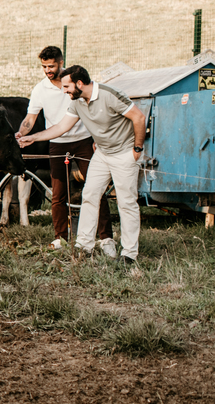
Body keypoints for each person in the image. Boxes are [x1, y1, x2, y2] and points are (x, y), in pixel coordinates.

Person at [16, 65, 147, 264]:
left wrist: (137, 149)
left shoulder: (109, 95)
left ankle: (129, 254)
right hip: (102, 154)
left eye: (67, 86)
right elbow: (61, 127)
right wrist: (33, 138)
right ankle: (84, 245)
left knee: (126, 202)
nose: (64, 90)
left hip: (124, 154)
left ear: (79, 83)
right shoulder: (77, 102)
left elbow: (139, 117)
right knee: (90, 194)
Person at [16, 46, 113, 252]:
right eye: (44, 66)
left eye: (51, 66)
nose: (47, 70)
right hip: (57, 142)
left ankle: (106, 238)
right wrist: (22, 134)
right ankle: (61, 237)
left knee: (97, 188)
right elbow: (31, 118)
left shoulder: (73, 83)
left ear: (61, 63)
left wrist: (98, 136)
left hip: (84, 140)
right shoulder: (40, 89)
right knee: (58, 194)